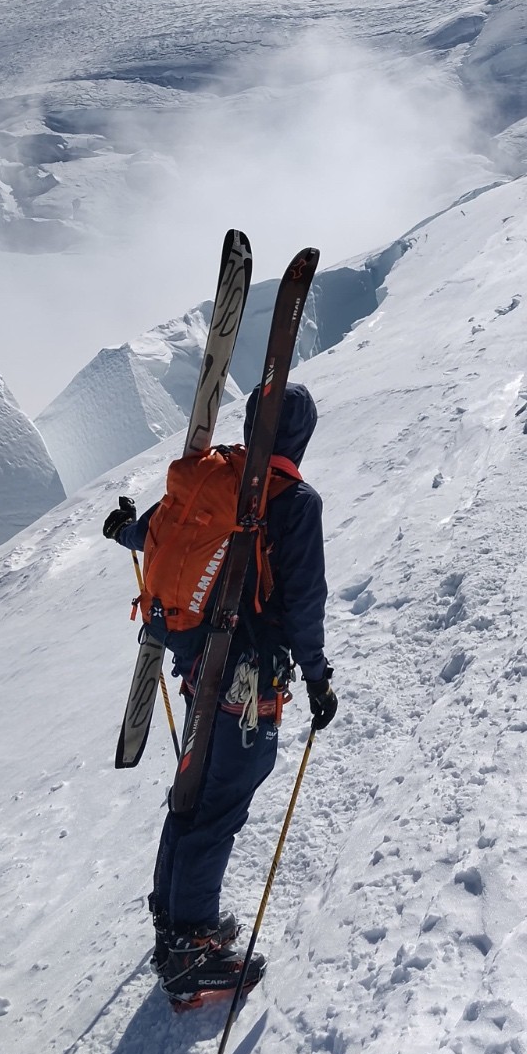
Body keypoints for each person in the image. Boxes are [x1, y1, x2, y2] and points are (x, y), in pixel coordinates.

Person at [102, 380, 337, 1006]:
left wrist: (126, 530)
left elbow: (159, 530)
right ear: (299, 438)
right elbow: (304, 604)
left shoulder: (222, 479)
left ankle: (175, 915)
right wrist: (316, 677)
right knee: (223, 796)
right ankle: (192, 947)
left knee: (195, 787)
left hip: (198, 658)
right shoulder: (293, 501)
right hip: (247, 675)